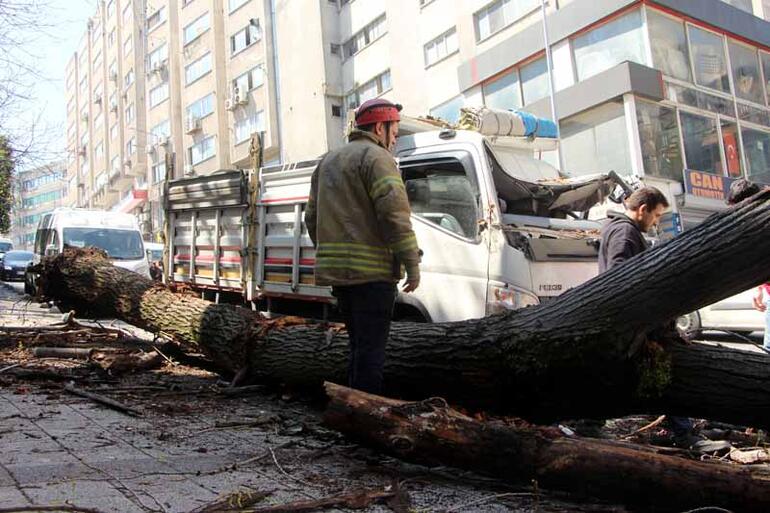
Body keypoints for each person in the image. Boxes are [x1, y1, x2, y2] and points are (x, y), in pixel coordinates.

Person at [305, 98, 421, 395]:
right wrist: (412, 263)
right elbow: (395, 216)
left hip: (340, 279)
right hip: (373, 277)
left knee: (358, 347)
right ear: (380, 127)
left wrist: (331, 253)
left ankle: (352, 408)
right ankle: (366, 414)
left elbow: (311, 217)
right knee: (371, 353)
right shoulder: (377, 159)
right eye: (394, 132)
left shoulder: (328, 160)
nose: (395, 139)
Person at [598, 186, 669, 273]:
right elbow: (617, 274)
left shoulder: (621, 228)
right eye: (656, 215)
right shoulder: (625, 231)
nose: (656, 222)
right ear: (643, 209)